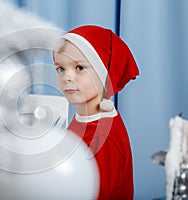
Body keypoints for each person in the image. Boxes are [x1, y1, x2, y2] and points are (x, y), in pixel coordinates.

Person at [53, 25, 139, 199]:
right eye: (60, 68)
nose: (67, 77)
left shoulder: (105, 138)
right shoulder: (84, 119)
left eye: (80, 68)